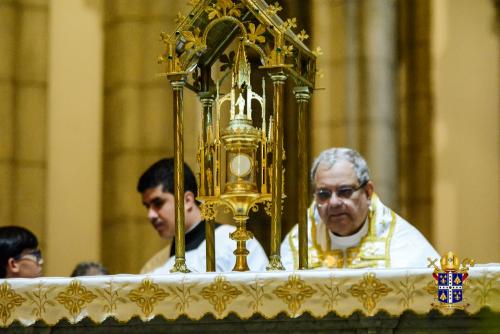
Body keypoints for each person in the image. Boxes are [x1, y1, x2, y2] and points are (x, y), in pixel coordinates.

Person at [281, 148, 439, 270]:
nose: (334, 202)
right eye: (324, 194)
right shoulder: (299, 243)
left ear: (368, 192)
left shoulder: (403, 243)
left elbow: (445, 299)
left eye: (345, 191)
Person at [137, 158, 268, 274]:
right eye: (147, 206)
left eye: (158, 203)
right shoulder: (153, 267)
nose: (151, 215)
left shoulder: (236, 243)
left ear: (187, 200)